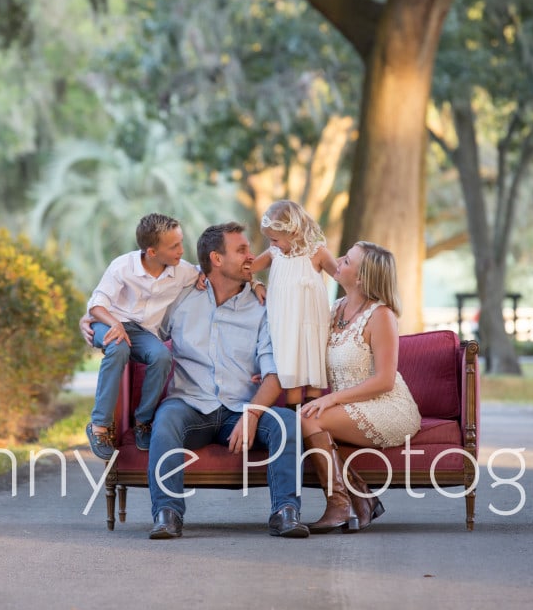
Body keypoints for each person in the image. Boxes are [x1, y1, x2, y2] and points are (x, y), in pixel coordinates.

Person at [84, 222, 309, 539]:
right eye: (241, 250)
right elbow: (134, 320)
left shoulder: (263, 307)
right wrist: (92, 320)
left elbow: (275, 374)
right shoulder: (180, 299)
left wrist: (253, 413)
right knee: (166, 421)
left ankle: (286, 512)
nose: (251, 256)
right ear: (216, 259)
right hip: (190, 406)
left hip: (240, 411)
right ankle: (167, 514)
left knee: (286, 421)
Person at [298, 241, 421, 533]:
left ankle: (339, 505)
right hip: (350, 405)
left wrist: (332, 400)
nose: (339, 261)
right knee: (307, 421)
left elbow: (384, 380)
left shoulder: (381, 316)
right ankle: (361, 498)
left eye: (348, 261)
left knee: (308, 419)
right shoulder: (335, 309)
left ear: (362, 277)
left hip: (388, 406)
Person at [84, 213, 201, 460]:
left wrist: (254, 283)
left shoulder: (182, 271)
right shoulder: (122, 267)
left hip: (143, 333)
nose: (182, 250)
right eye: (174, 246)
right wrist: (115, 324)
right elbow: (97, 305)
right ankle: (98, 427)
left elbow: (210, 274)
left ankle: (143, 422)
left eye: (181, 242)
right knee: (118, 347)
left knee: (161, 355)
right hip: (108, 322)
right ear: (152, 252)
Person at [251, 200, 337, 406]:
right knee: (293, 378)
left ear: (295, 232)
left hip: (313, 326)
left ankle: (311, 420)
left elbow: (344, 278)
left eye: (275, 239)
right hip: (286, 329)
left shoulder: (318, 253)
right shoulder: (275, 254)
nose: (272, 244)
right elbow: (245, 269)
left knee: (313, 373)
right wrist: (255, 284)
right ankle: (295, 425)